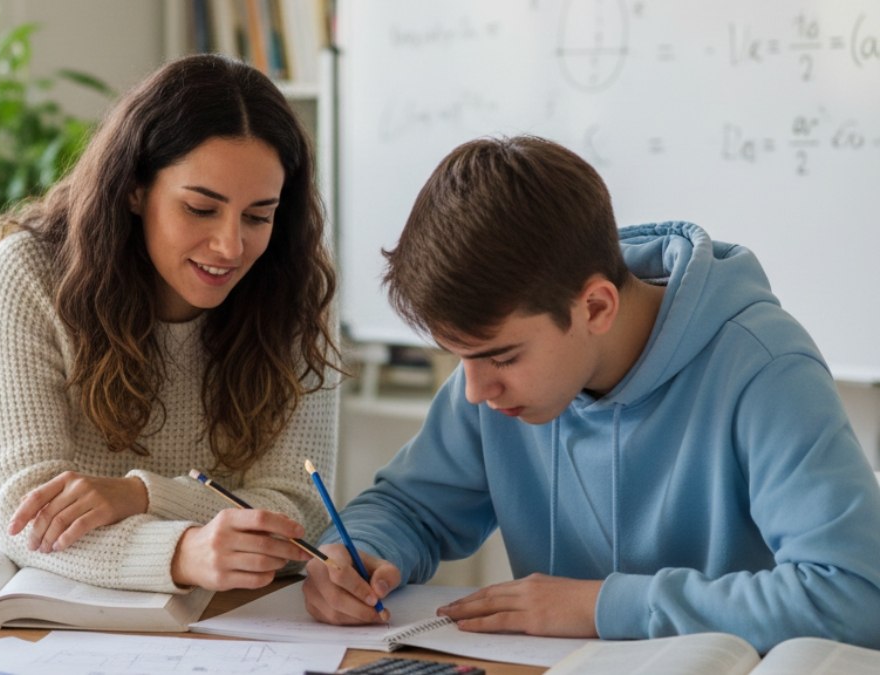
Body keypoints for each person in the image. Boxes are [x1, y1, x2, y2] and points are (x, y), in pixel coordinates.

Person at [302, 135, 880, 651]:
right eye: (459, 358)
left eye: (501, 357)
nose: (475, 391)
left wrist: (599, 606)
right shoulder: (498, 375)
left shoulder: (764, 367)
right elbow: (409, 509)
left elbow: (855, 595)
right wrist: (357, 555)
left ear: (596, 307)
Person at [0, 54, 342, 594]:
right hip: (68, 622)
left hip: (239, 618)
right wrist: (182, 553)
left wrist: (141, 496)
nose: (231, 246)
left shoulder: (299, 292)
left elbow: (298, 510)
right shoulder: (29, 276)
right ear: (134, 189)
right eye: (200, 209)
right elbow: (27, 517)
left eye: (259, 216)